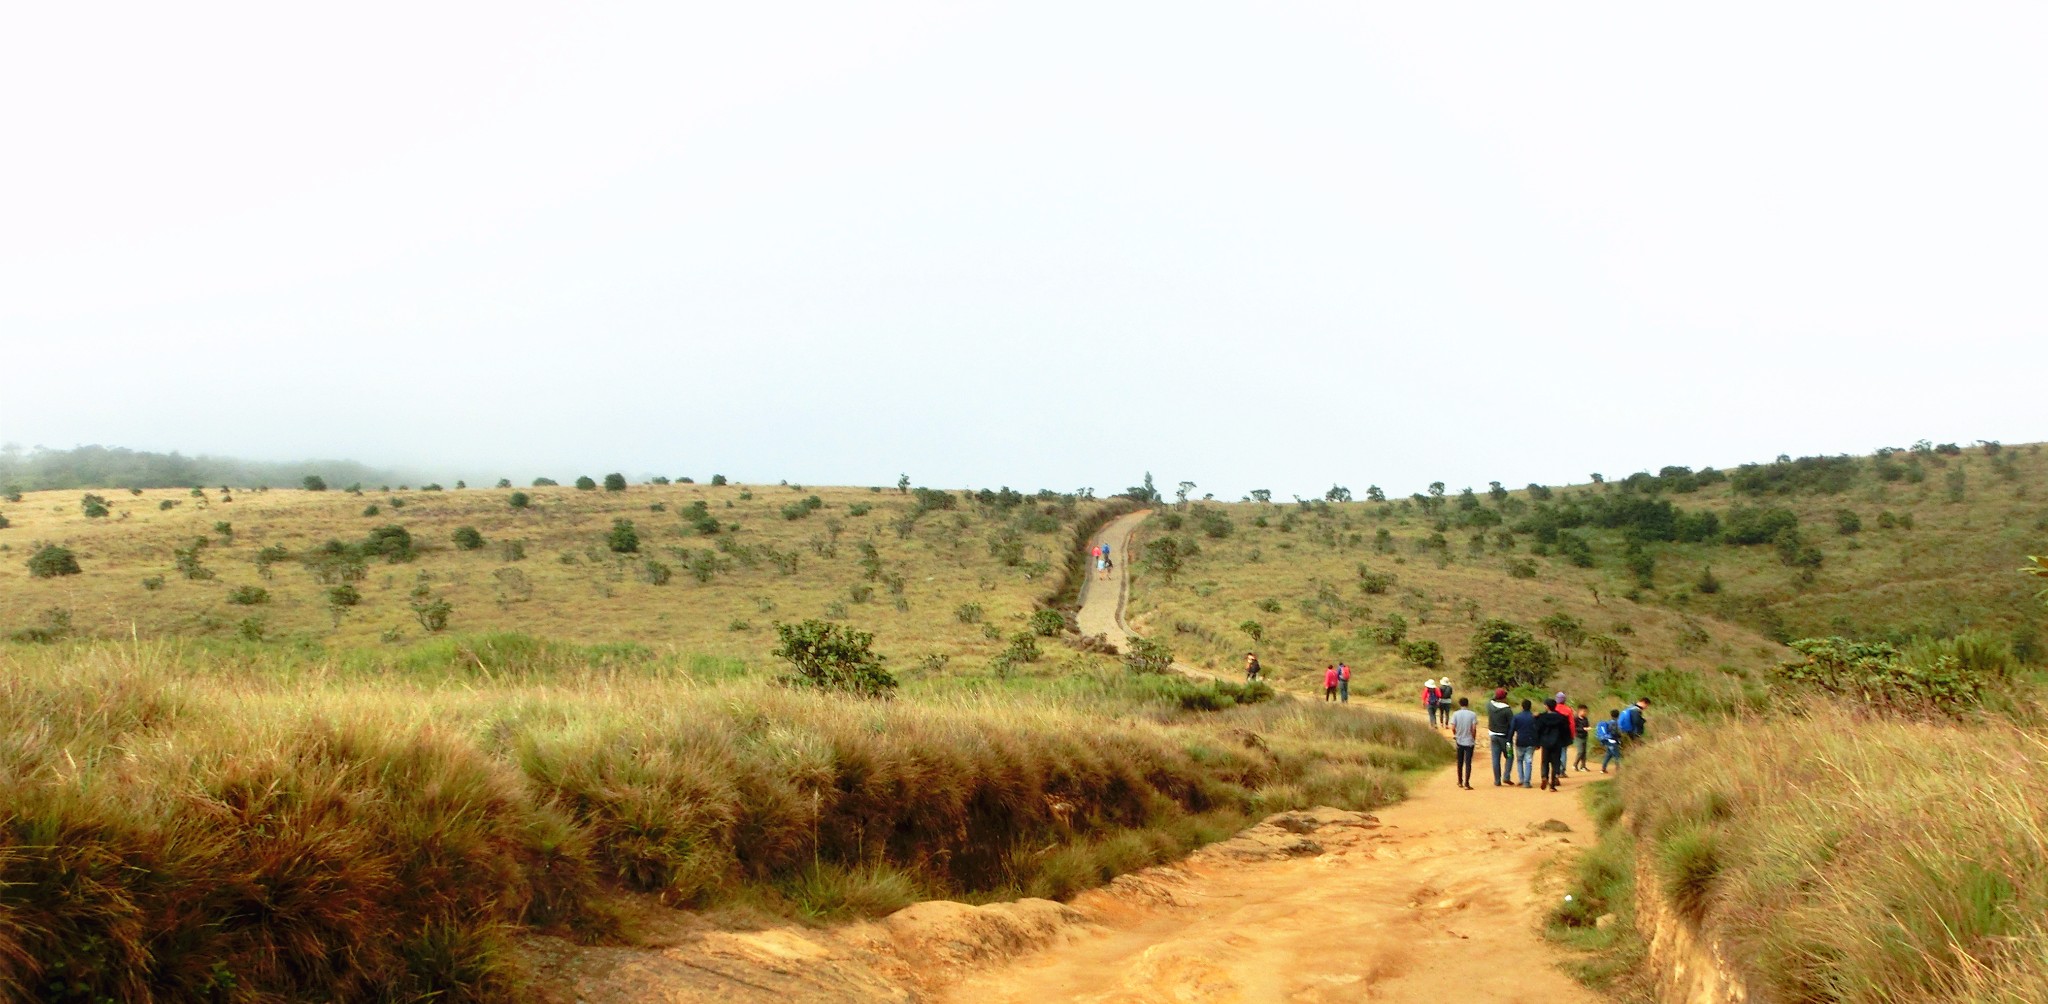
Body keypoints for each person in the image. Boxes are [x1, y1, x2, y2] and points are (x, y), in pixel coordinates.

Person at [1534, 699, 1571, 791]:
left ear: (1546, 706)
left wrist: (1537, 743)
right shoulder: (1562, 718)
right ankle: (1552, 785)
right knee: (1555, 763)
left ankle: (1544, 777)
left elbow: (1537, 729)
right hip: (1557, 742)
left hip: (1545, 743)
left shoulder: (1542, 717)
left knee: (1545, 761)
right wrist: (1566, 741)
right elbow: (1566, 731)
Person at [1487, 687, 1516, 787]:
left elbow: (1491, 699)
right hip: (1505, 737)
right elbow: (1512, 724)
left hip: (1493, 735)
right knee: (1510, 756)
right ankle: (1506, 776)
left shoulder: (1490, 705)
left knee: (1495, 758)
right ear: (1504, 697)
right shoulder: (1507, 710)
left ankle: (1497, 780)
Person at [1450, 697, 1478, 789]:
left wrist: (1456, 735)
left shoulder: (1456, 714)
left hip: (1459, 740)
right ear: (1467, 704)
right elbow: (1473, 728)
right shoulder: (1472, 714)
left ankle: (1460, 781)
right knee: (1468, 763)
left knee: (1460, 762)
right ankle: (1467, 783)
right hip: (1469, 741)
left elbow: (1453, 727)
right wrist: (1473, 738)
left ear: (1459, 704)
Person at [1509, 699, 1537, 787]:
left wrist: (1509, 740)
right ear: (1530, 707)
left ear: (1522, 707)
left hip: (1520, 741)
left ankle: (1521, 779)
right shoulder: (1534, 717)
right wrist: (1538, 742)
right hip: (1531, 741)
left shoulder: (1517, 717)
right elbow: (1537, 730)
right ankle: (1527, 782)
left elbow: (1512, 729)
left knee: (1519, 760)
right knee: (1528, 761)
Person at [1572, 704, 1593, 772]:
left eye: (1586, 711)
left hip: (1584, 736)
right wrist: (1583, 729)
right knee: (1580, 751)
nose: (1585, 713)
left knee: (1584, 752)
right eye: (1583, 711)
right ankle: (1575, 764)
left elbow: (1587, 725)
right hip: (1578, 736)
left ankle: (1583, 766)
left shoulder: (1585, 719)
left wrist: (1588, 728)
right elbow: (1575, 728)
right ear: (1579, 711)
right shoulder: (1576, 719)